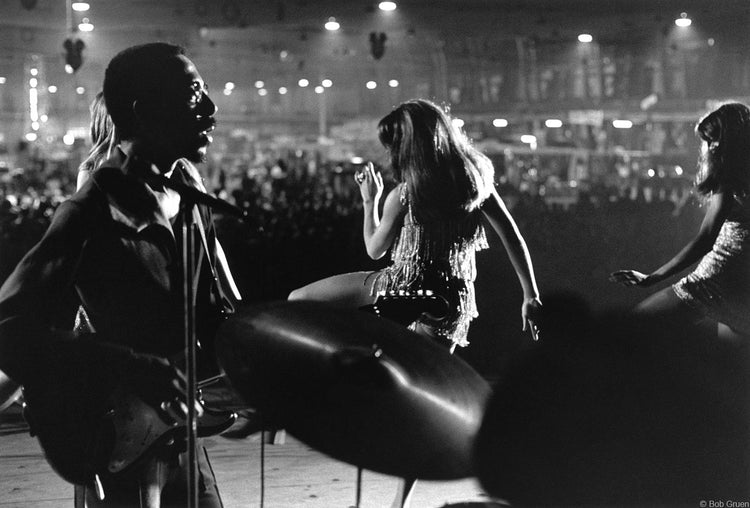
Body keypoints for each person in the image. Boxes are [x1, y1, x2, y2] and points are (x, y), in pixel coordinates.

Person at [0, 42, 238, 507]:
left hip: (180, 433)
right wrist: (130, 365)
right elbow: (10, 329)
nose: (210, 109)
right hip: (120, 440)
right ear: (142, 111)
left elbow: (216, 310)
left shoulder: (188, 198)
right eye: (193, 94)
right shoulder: (88, 212)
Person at [290, 99, 542, 350]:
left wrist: (369, 201)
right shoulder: (476, 180)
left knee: (298, 300)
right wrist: (530, 294)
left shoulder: (405, 194)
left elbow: (374, 250)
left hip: (404, 287)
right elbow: (512, 236)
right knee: (427, 376)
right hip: (453, 299)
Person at [610, 102, 750, 339]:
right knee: (727, 369)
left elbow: (706, 239)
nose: (710, 147)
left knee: (632, 331)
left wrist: (652, 278)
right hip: (742, 285)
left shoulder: (728, 179)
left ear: (730, 141)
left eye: (714, 140)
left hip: (715, 278)